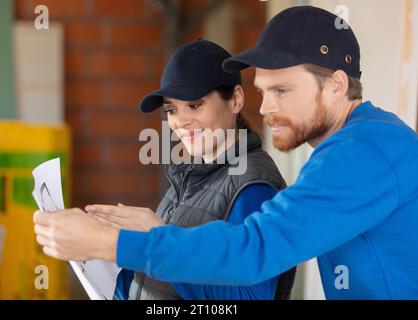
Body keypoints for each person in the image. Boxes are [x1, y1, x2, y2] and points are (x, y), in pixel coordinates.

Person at [34, 6, 418, 299]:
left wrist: (107, 244)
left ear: (336, 85)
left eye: (282, 90)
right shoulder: (359, 144)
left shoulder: (362, 152)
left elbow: (254, 250)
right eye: (262, 91)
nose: (265, 109)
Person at [36, 39, 295, 300]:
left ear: (236, 100)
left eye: (195, 105)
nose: (181, 121)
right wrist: (98, 252)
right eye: (172, 109)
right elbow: (155, 284)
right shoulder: (189, 178)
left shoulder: (254, 186)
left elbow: (248, 297)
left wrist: (154, 237)